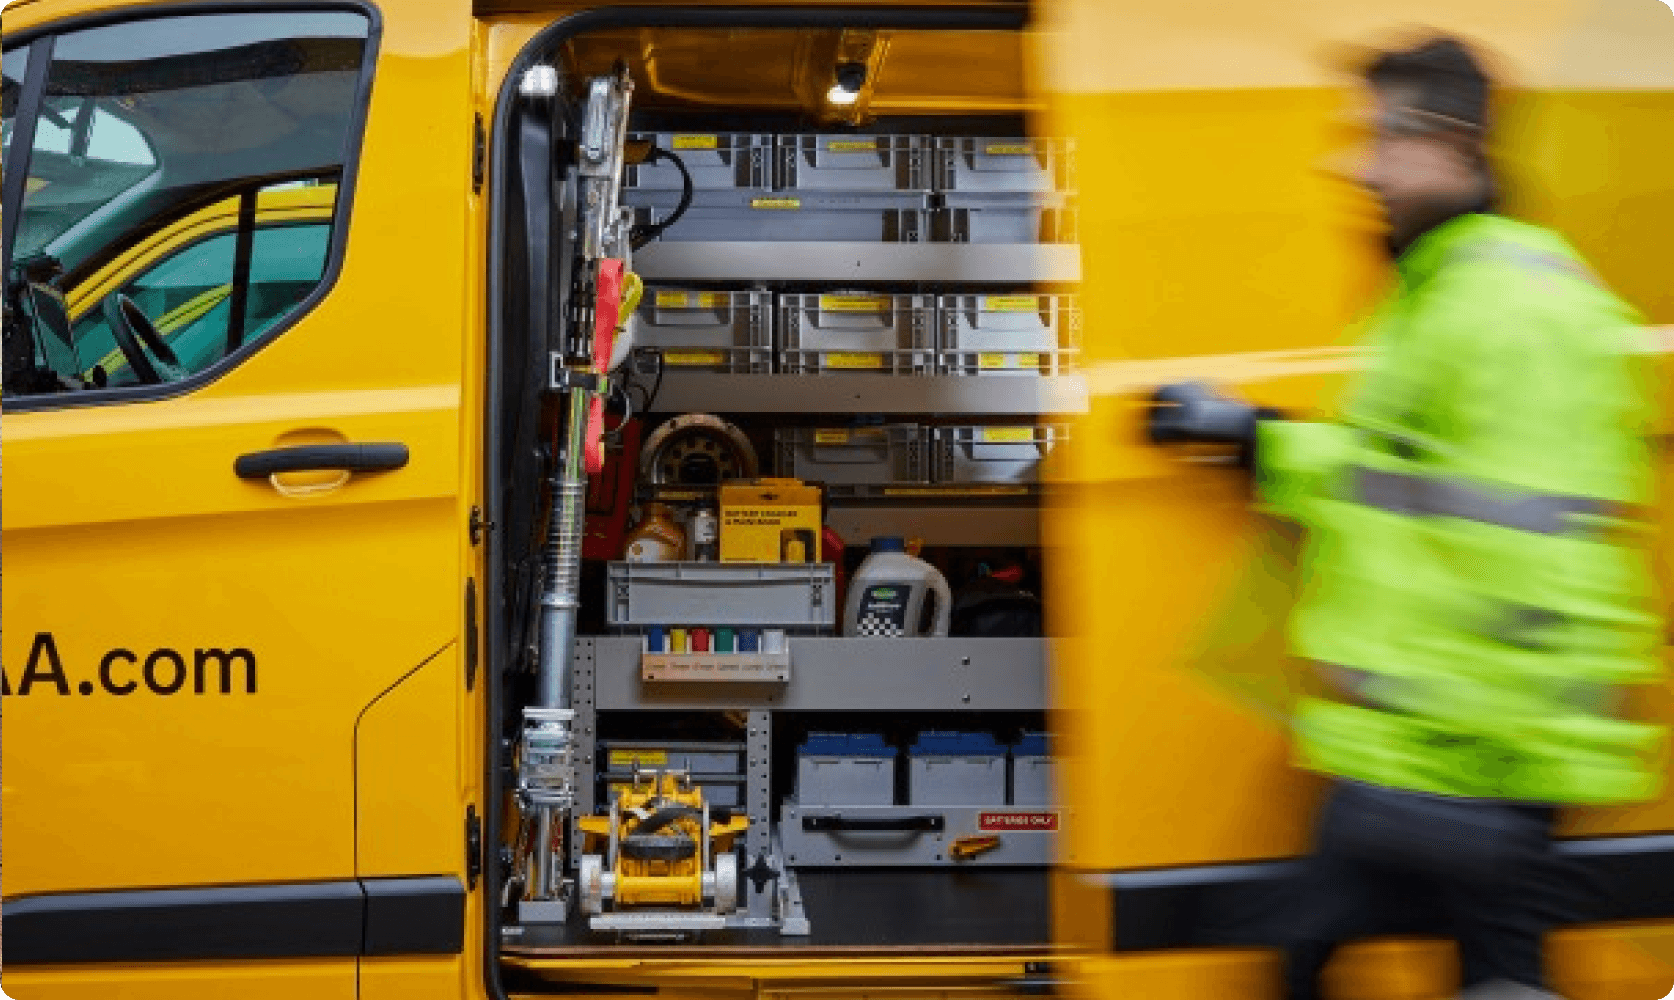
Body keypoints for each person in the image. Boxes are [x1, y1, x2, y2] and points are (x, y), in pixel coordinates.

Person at [1147, 36, 1666, 1000]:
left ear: (1456, 145)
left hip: (1458, 763)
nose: (1352, 163)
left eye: (1380, 136)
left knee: (1326, 959)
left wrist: (1465, 782)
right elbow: (1393, 476)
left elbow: (1545, 550)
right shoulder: (1446, 289)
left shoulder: (1507, 307)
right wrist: (1251, 434)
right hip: (1431, 756)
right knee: (1429, 966)